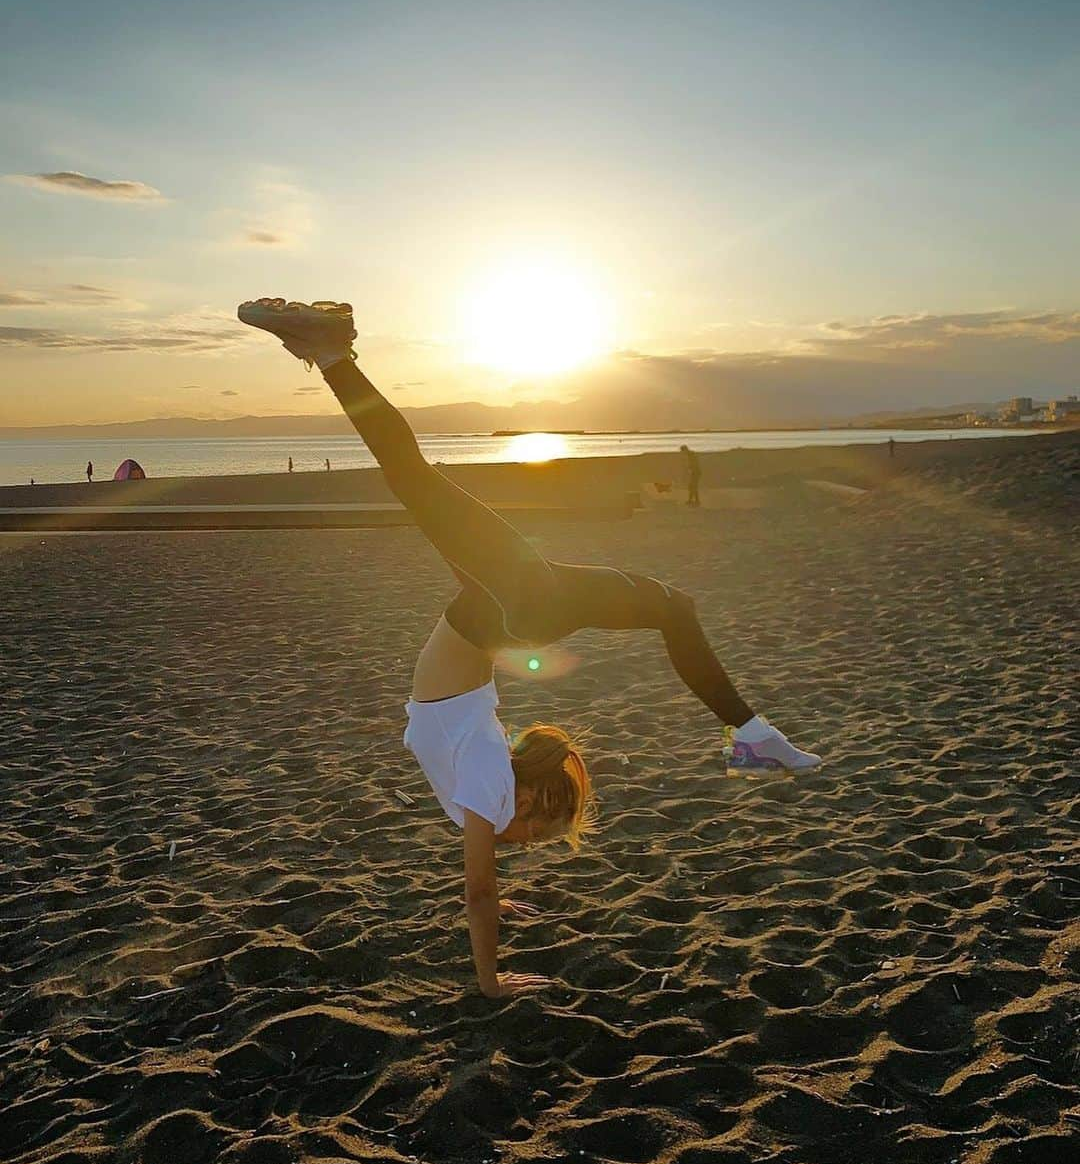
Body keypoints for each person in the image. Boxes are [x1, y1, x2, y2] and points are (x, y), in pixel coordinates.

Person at [238, 297, 822, 997]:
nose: (524, 840)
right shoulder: (485, 781)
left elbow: (479, 890)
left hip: (508, 605)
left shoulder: (483, 784)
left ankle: (334, 353)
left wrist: (489, 962)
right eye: (539, 829)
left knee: (418, 478)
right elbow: (479, 890)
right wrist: (492, 972)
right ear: (530, 794)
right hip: (512, 604)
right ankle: (750, 736)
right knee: (416, 479)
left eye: (531, 837)